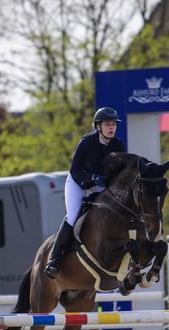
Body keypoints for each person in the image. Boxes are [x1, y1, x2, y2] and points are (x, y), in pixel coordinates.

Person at [44, 107, 127, 279]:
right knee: (73, 216)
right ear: (98, 126)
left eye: (113, 124)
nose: (111, 127)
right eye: (107, 124)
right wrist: (91, 179)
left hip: (100, 186)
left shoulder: (118, 145)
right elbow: (75, 170)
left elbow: (122, 170)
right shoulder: (87, 142)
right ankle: (54, 259)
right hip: (78, 184)